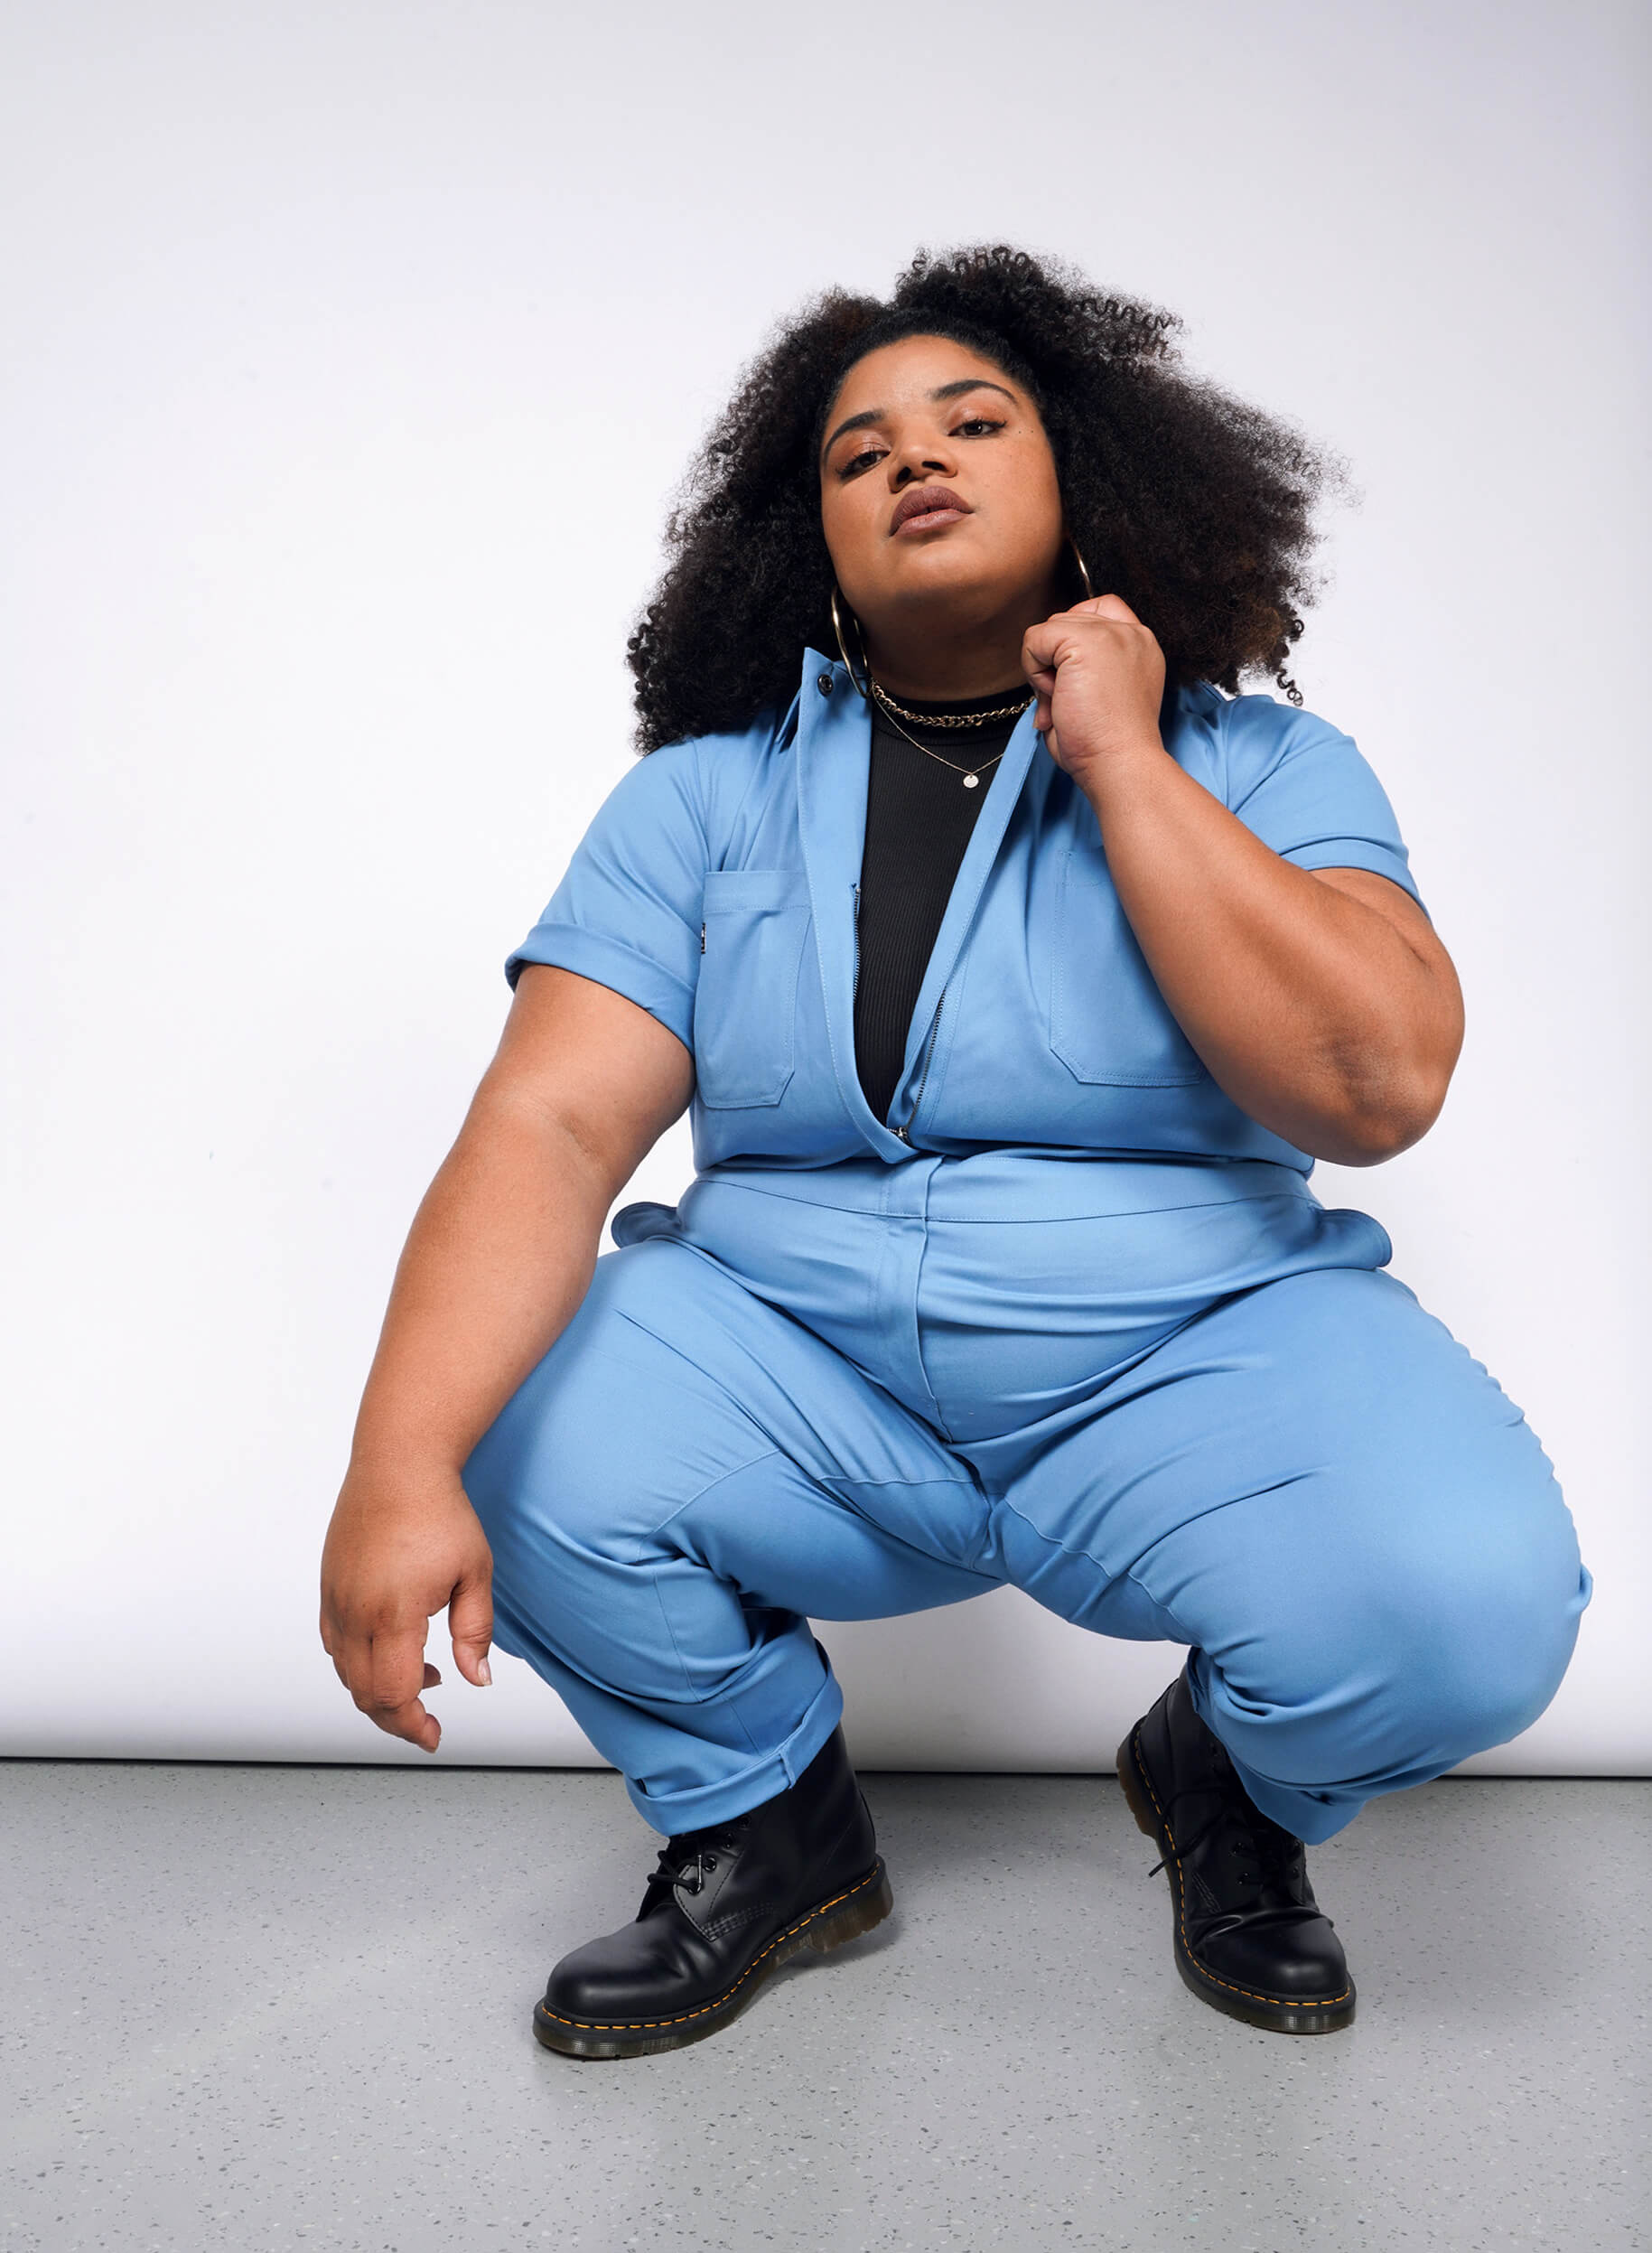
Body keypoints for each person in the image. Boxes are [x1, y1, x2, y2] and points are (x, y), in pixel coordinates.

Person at [319, 245, 1591, 2058]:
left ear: (1085, 474)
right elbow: (548, 1122)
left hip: (1184, 1366)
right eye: (860, 453)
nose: (916, 458)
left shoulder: (1262, 768)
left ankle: (1230, 1783)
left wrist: (1132, 765)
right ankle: (765, 1823)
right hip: (804, 1378)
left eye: (972, 421)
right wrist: (396, 1463)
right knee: (488, 1418)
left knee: (1470, 1602)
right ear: (807, 537)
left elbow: (1374, 1089)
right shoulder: (703, 798)